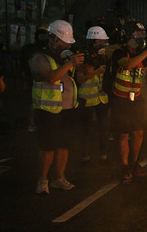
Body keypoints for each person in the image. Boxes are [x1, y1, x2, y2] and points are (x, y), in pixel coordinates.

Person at [29, 19, 84, 194]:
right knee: (48, 147)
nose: (66, 45)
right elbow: (51, 77)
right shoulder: (39, 57)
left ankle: (59, 178)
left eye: (68, 42)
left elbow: (77, 78)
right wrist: (70, 63)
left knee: (63, 145)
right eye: (63, 41)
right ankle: (43, 180)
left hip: (67, 109)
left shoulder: (65, 57)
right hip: (47, 111)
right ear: (52, 38)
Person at [108, 21, 147, 183]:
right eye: (137, 34)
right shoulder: (119, 52)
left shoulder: (142, 54)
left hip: (136, 100)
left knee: (138, 132)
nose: (140, 38)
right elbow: (129, 65)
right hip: (121, 100)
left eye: (142, 34)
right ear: (127, 36)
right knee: (123, 134)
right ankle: (124, 166)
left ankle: (134, 162)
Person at [74, 25, 111, 163]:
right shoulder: (84, 57)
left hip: (102, 97)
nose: (103, 44)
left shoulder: (104, 56)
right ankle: (84, 154)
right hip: (87, 98)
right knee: (86, 129)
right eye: (100, 41)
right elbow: (80, 79)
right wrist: (96, 72)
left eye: (104, 41)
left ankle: (103, 152)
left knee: (104, 127)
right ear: (93, 41)